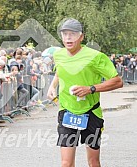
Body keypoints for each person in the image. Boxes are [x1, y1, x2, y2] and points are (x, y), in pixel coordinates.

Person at [47, 18, 123, 167]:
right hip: (67, 111)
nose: (68, 38)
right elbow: (59, 72)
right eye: (65, 34)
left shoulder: (95, 56)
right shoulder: (59, 55)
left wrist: (90, 89)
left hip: (91, 112)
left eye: (73, 34)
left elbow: (117, 81)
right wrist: (52, 86)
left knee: (93, 162)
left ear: (81, 37)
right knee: (66, 163)